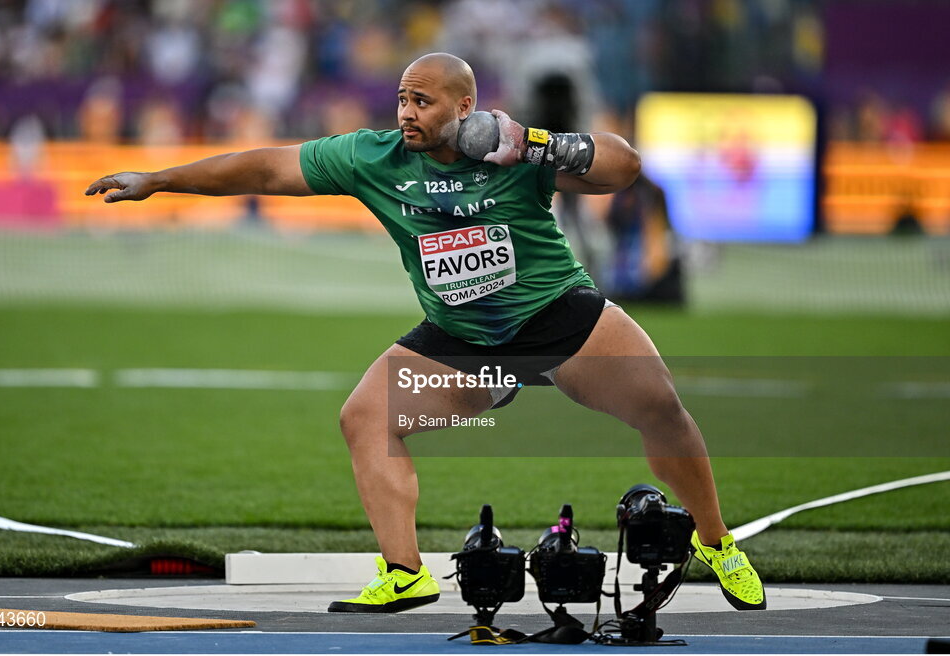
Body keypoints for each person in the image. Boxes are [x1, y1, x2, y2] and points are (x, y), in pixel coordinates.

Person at [85, 53, 765, 614]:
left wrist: (533, 142)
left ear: (464, 109)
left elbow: (623, 168)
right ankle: (405, 572)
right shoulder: (372, 157)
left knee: (662, 408)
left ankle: (715, 540)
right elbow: (267, 168)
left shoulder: (513, 151)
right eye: (402, 100)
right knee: (365, 417)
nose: (407, 113)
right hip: (461, 339)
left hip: (558, 316)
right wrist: (159, 180)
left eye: (424, 102)